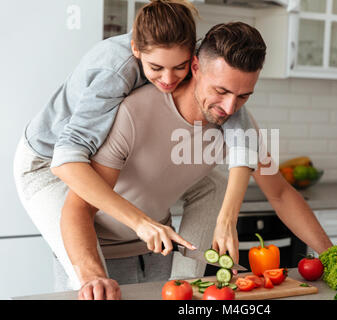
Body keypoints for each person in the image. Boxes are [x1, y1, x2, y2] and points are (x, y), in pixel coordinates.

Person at [63, 21, 333, 300]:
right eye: (221, 91)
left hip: (159, 254)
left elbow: (280, 194)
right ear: (194, 67)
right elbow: (78, 208)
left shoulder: (238, 127)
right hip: (99, 255)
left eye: (243, 96)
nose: (229, 107)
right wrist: (92, 275)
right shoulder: (134, 113)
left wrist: (333, 256)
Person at [13, 0, 257, 292]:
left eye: (179, 68)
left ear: (192, 57)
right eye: (156, 68)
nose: (168, 79)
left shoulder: (192, 64)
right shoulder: (114, 72)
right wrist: (141, 222)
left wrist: (228, 216)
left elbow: (234, 113)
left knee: (213, 183)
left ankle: (187, 281)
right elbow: (66, 159)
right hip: (47, 163)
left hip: (88, 154)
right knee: (89, 271)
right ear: (135, 50)